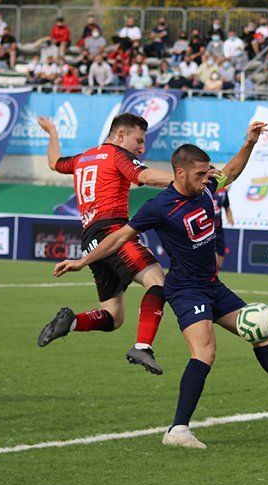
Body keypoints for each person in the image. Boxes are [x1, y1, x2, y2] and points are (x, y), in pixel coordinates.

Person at [53, 126, 268, 449]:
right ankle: (177, 429)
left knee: (260, 334)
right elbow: (119, 237)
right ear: (180, 172)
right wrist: (81, 262)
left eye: (208, 172)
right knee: (205, 352)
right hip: (184, 290)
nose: (208, 177)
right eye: (200, 173)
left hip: (212, 286)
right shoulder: (159, 206)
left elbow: (231, 171)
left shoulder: (206, 188)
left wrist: (248, 142)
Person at [36, 113, 174, 374]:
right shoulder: (116, 154)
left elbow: (54, 162)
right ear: (120, 135)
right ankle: (143, 346)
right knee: (157, 281)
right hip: (113, 233)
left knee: (113, 316)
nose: (142, 149)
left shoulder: (84, 157)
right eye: (139, 141)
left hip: (90, 238)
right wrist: (185, 180)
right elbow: (144, 177)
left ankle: (72, 323)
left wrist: (52, 132)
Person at [211, 176, 233, 269]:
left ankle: (216, 270)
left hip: (218, 225)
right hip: (207, 227)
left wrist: (230, 218)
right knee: (212, 251)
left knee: (221, 251)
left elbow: (227, 207)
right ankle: (213, 269)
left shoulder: (222, 192)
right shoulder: (201, 191)